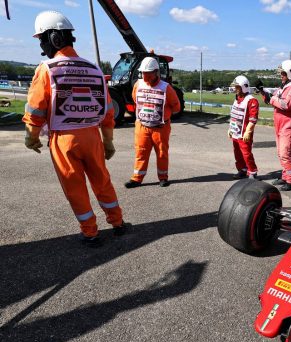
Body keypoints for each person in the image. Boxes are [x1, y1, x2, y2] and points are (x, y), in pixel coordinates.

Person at [23, 10, 125, 246]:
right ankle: (117, 222)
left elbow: (36, 108)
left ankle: (90, 232)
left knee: (75, 188)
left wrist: (32, 136)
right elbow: (107, 110)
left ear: (53, 39)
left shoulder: (47, 69)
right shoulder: (95, 69)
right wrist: (108, 141)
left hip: (64, 139)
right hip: (92, 136)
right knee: (103, 181)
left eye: (41, 40)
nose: (41, 47)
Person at [124, 57, 181, 188]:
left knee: (161, 153)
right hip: (142, 126)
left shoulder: (166, 88)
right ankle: (136, 179)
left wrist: (164, 114)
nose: (145, 75)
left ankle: (163, 177)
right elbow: (135, 99)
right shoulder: (137, 85)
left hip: (160, 127)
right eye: (143, 72)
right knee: (141, 152)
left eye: (148, 73)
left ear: (156, 72)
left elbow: (176, 107)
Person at [258, 59, 291, 191]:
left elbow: (286, 104)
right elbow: (273, 98)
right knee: (280, 152)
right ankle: (285, 176)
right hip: (281, 124)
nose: (281, 76)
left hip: (289, 125)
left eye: (283, 73)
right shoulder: (284, 86)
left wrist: (271, 98)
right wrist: (263, 92)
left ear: (290, 73)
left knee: (285, 153)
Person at [228, 75, 259, 179]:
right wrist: (230, 129)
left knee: (246, 153)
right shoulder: (237, 99)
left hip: (244, 133)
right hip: (236, 131)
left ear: (243, 87)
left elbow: (253, 119)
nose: (235, 89)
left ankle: (252, 172)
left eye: (237, 87)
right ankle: (242, 169)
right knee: (237, 152)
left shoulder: (252, 100)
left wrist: (248, 131)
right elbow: (234, 115)